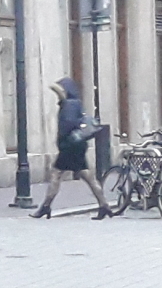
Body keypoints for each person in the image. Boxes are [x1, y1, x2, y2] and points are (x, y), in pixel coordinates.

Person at [35, 76, 112, 218]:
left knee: (56, 174)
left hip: (69, 147)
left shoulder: (69, 104)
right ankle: (104, 205)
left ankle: (45, 207)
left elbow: (67, 125)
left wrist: (61, 138)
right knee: (89, 177)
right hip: (77, 146)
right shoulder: (75, 103)